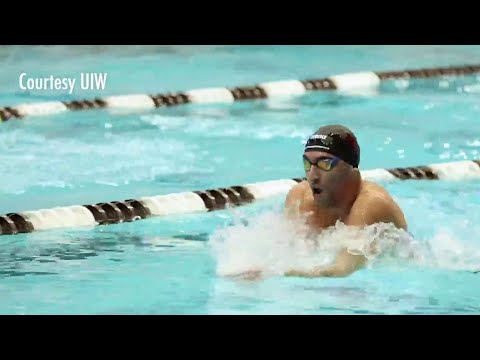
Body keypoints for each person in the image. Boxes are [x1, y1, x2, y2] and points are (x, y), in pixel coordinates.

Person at [283, 124, 408, 278]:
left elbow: (343, 269)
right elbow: (286, 250)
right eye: (307, 163)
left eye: (325, 164)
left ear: (351, 168)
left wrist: (282, 272)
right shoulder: (300, 197)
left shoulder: (372, 204)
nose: (313, 175)